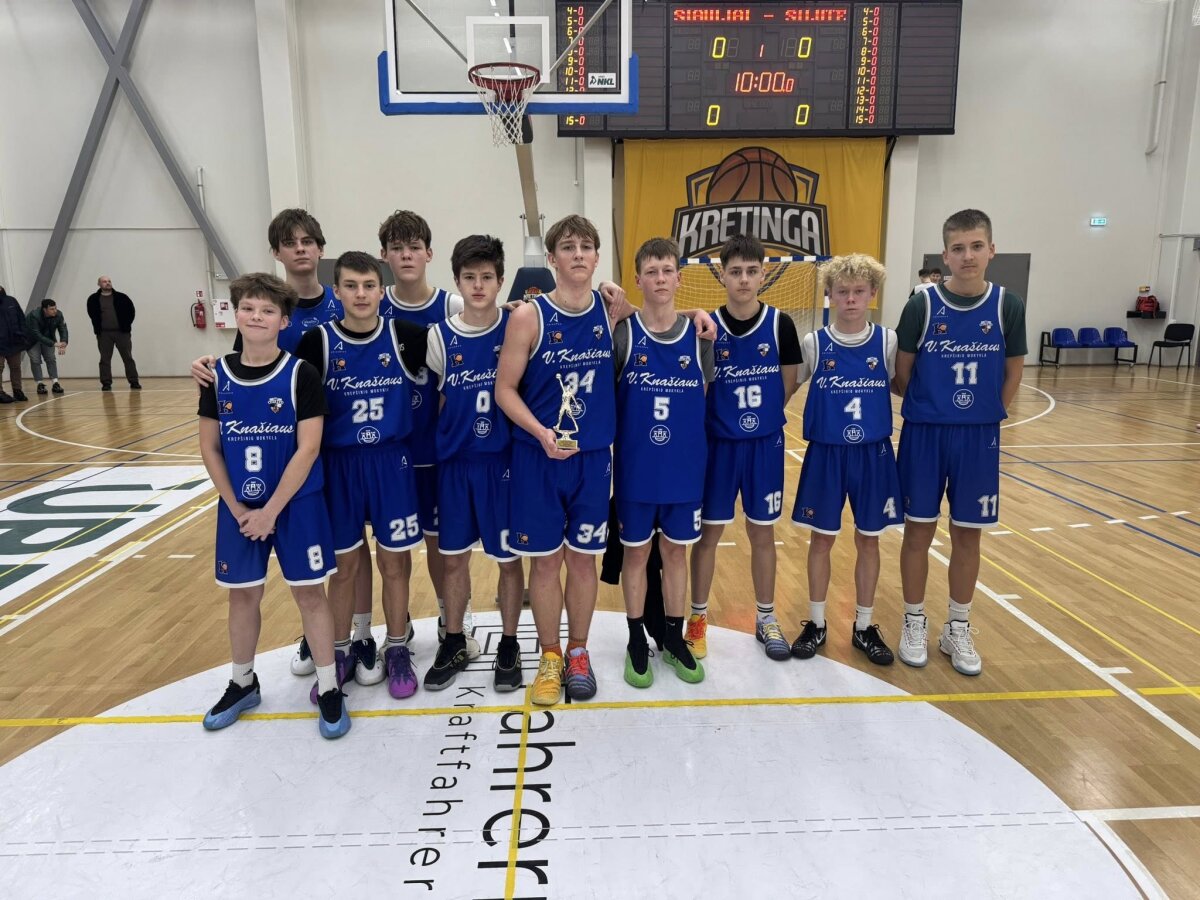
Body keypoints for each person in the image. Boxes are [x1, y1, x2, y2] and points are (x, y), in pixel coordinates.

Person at [196, 272, 349, 738]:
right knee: (242, 595)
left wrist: (271, 511)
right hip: (240, 508)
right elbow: (210, 447)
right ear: (235, 315)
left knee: (310, 594)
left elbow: (309, 448)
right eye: (248, 308)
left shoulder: (301, 374)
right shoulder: (215, 376)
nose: (256, 316)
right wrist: (237, 507)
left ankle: (329, 687)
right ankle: (243, 682)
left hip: (296, 504)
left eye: (267, 310)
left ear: (284, 321)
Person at [893, 209, 1027, 676]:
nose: (967, 256)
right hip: (925, 434)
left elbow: (1014, 372)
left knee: (968, 534)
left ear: (991, 250)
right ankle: (914, 621)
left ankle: (958, 627)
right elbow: (902, 375)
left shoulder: (1008, 305)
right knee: (918, 531)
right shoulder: (922, 305)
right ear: (945, 255)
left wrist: (988, 414)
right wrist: (934, 407)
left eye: (976, 246)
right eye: (958, 248)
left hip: (978, 438)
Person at [295, 251, 430, 701]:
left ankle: (397, 646)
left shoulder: (406, 336)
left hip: (391, 463)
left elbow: (467, 342)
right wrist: (214, 366)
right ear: (336, 291)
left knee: (394, 563)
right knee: (345, 566)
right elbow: (272, 372)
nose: (360, 294)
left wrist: (508, 311)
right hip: (339, 466)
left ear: (381, 290)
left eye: (369, 285)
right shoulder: (316, 342)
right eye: (351, 286)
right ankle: (340, 651)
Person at [495, 214, 617, 705]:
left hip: (592, 460)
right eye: (568, 247)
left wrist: (697, 314)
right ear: (552, 258)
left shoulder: (612, 310)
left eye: (586, 246)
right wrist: (541, 433)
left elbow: (662, 308)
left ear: (597, 257)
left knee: (583, 562)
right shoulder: (529, 316)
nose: (579, 254)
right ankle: (549, 656)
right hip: (539, 458)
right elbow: (505, 390)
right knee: (545, 564)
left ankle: (578, 652)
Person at [688, 234, 802, 662]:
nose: (743, 279)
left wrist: (763, 418)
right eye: (735, 271)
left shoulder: (780, 324)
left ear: (764, 274)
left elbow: (788, 382)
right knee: (708, 535)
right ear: (722, 275)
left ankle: (766, 618)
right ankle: (697, 618)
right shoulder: (705, 326)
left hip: (764, 446)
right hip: (717, 446)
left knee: (763, 533)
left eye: (751, 271)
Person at [423, 235, 525, 692]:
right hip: (456, 466)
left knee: (508, 562)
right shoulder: (439, 337)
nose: (479, 285)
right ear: (457, 281)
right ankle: (454, 640)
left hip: (502, 466)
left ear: (501, 281)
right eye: (470, 277)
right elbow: (440, 402)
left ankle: (508, 644)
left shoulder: (517, 327)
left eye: (487, 277)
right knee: (453, 561)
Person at [377, 210, 480, 657]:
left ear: (429, 254)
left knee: (444, 546)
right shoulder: (370, 303)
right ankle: (395, 630)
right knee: (391, 551)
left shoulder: (452, 306)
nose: (406, 255)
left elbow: (501, 319)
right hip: (390, 455)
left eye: (414, 247)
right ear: (384, 255)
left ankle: (452, 616)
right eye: (397, 248)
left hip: (439, 452)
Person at [790, 254, 902, 665]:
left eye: (859, 291)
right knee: (821, 539)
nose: (851, 299)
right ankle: (817, 623)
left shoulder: (887, 342)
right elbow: (787, 389)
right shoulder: (814, 344)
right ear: (830, 295)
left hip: (873, 454)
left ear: (872, 294)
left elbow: (905, 387)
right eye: (843, 292)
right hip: (826, 453)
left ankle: (864, 626)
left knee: (868, 539)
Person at [615, 237, 714, 687]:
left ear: (679, 278)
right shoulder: (623, 334)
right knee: (636, 554)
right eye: (651, 271)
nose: (659, 278)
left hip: (683, 471)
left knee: (676, 553)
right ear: (638, 279)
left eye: (667, 270)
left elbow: (702, 401)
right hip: (636, 472)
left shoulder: (699, 336)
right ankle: (636, 638)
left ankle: (674, 638)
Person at [86, 276, 140, 391]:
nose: (107, 283)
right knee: (105, 359)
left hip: (122, 333)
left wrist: (126, 325)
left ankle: (134, 381)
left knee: (128, 357)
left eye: (109, 281)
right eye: (104, 281)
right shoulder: (93, 299)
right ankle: (106, 383)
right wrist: (98, 327)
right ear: (99, 284)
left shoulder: (122, 297)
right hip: (104, 334)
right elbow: (92, 314)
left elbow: (131, 312)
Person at [27, 299, 69, 395]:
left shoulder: (59, 314)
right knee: (35, 360)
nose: (55, 311)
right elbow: (36, 334)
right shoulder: (34, 315)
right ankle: (40, 384)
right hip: (32, 340)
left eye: (55, 308)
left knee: (51, 359)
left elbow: (63, 328)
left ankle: (55, 383)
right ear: (45, 310)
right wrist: (54, 344)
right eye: (52, 309)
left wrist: (64, 342)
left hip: (48, 338)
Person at [0, 286, 33, 402]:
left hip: (14, 341)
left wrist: (23, 334)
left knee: (16, 367)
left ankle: (17, 390)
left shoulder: (11, 301)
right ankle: (0, 393)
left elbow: (21, 318)